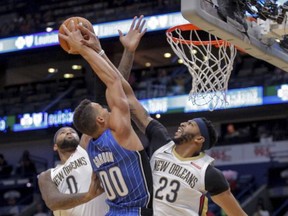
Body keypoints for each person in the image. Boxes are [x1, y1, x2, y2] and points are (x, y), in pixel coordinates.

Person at [59, 16, 153, 215]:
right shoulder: (120, 132)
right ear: (100, 119)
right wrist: (84, 49)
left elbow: (114, 83)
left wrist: (97, 50)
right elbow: (114, 83)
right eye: (103, 109)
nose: (107, 108)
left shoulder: (90, 146)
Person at [38, 127, 108, 216]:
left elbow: (94, 119)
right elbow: (52, 202)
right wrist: (88, 196)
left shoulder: (84, 150)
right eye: (62, 132)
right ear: (55, 146)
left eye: (72, 132)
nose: (68, 132)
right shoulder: (47, 175)